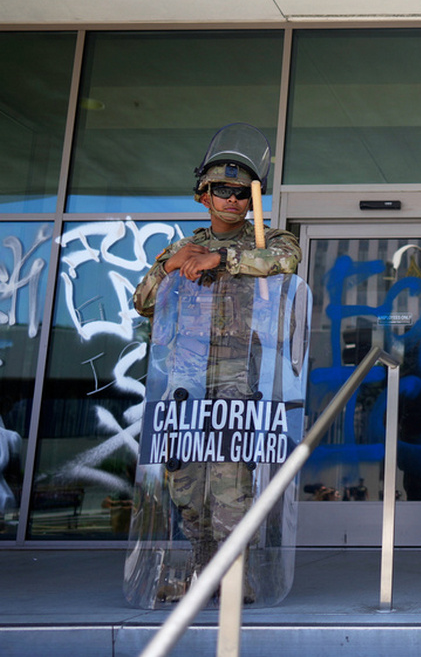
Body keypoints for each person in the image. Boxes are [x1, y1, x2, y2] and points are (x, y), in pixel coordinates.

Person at [132, 126, 301, 600]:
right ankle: (201, 570)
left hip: (235, 377)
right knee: (186, 483)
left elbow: (284, 263)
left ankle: (233, 575)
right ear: (202, 196)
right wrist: (171, 266)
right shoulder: (178, 249)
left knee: (229, 481)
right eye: (220, 190)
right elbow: (142, 301)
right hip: (184, 378)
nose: (231, 200)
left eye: (241, 192)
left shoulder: (270, 240)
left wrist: (219, 259)